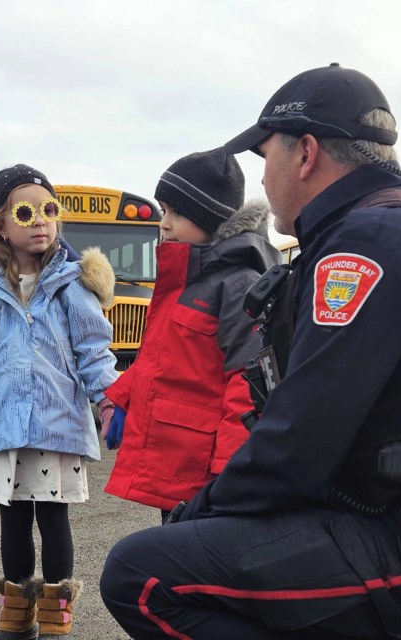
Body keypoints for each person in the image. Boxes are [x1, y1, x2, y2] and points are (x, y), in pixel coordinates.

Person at [99, 63, 401, 640]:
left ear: (303, 153)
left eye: (265, 157)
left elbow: (300, 438)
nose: (264, 176)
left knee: (141, 574)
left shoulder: (365, 244)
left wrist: (196, 511)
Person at [0, 164, 120, 640]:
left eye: (49, 209)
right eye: (25, 211)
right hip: (3, 425)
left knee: (54, 518)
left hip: (57, 424)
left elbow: (93, 350)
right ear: (0, 223)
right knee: (13, 518)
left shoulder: (72, 282)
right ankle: (16, 615)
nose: (40, 220)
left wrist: (109, 401)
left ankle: (57, 617)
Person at [102, 148, 281, 522]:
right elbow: (160, 358)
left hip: (204, 468)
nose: (164, 224)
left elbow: (247, 381)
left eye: (176, 213)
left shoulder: (238, 285)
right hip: (180, 458)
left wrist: (230, 469)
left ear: (210, 219)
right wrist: (121, 396)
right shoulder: (187, 281)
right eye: (164, 211)